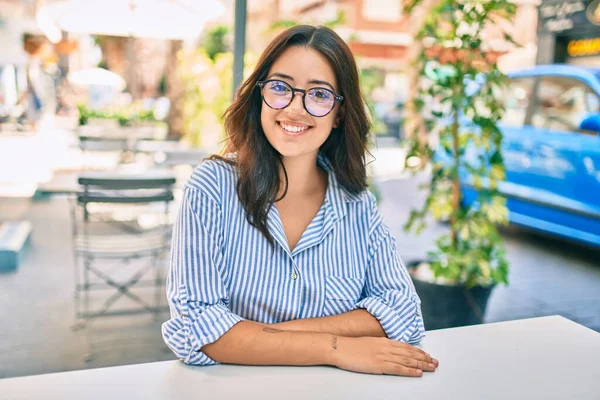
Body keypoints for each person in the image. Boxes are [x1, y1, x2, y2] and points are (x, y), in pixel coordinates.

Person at [162, 25, 438, 377]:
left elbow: (403, 315)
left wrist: (248, 334)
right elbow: (196, 327)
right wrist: (336, 346)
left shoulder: (356, 204)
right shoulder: (212, 187)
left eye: (319, 94)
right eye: (280, 87)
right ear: (260, 95)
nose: (295, 108)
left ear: (340, 113)